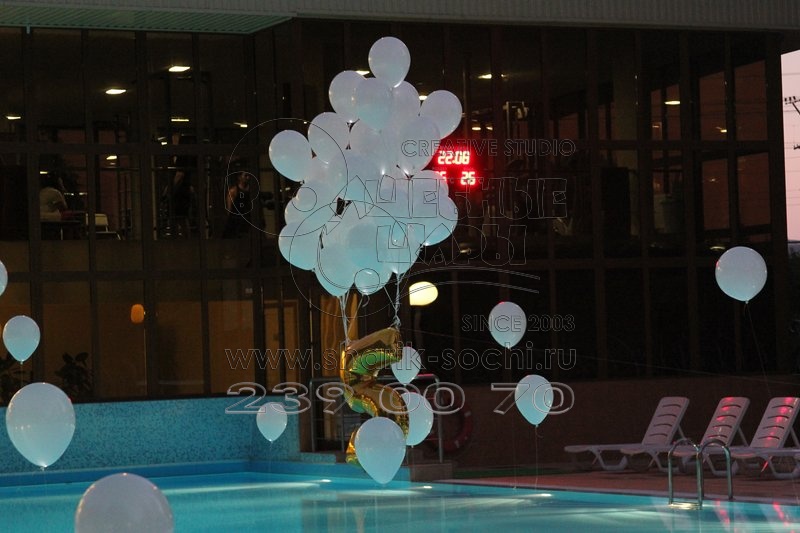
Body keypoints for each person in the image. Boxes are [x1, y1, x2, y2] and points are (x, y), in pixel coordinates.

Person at [223, 170, 252, 238]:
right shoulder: (233, 191)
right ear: (239, 177)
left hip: (248, 218)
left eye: (248, 176)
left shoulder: (251, 190)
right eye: (245, 175)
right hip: (236, 219)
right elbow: (229, 208)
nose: (248, 178)